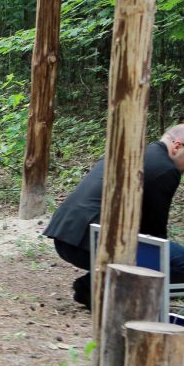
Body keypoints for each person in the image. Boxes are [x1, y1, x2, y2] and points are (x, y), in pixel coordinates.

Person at [44, 123, 184, 309]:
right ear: (177, 146)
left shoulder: (135, 152)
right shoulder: (166, 169)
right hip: (91, 240)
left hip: (67, 234)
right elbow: (154, 236)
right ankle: (101, 289)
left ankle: (96, 285)